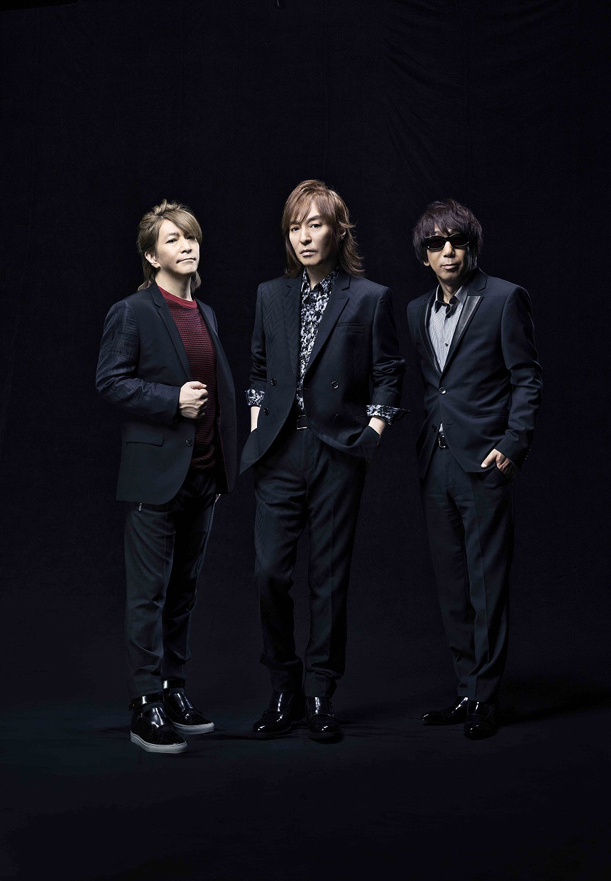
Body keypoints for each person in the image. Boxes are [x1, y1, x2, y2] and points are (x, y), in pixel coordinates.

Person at [241, 179, 405, 743]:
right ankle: (283, 687)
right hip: (279, 451)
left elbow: (388, 371)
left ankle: (320, 692)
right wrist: (259, 429)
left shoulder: (370, 297)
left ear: (339, 230)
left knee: (328, 579)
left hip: (338, 450)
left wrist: (372, 434)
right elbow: (258, 367)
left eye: (314, 224)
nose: (304, 236)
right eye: (295, 227)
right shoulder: (270, 295)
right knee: (269, 572)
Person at [96, 200, 237, 753]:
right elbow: (110, 380)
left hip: (202, 475)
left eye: (191, 237)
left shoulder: (206, 314)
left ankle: (174, 691)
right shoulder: (131, 312)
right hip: (154, 478)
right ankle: (144, 702)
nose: (186, 245)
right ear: (152, 255)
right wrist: (171, 400)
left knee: (183, 593)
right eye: (173, 239)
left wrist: (223, 461)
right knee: (148, 595)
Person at [406, 199, 541, 739]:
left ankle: (486, 697)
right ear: (424, 255)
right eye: (436, 244)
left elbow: (526, 377)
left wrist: (513, 442)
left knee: (487, 585)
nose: (447, 252)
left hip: (484, 462)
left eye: (456, 241)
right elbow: (435, 388)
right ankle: (466, 691)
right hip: (435, 461)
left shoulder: (505, 299)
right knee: (452, 585)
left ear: (471, 247)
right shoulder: (416, 310)